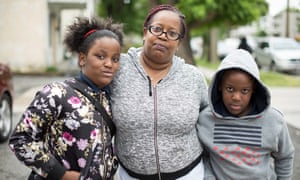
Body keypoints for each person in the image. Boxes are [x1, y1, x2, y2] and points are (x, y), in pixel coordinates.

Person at [8, 16, 123, 180]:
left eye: (115, 59)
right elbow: (20, 140)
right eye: (101, 56)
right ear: (82, 58)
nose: (109, 64)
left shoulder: (111, 97)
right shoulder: (57, 93)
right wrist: (60, 174)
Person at [109, 4, 209, 180]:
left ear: (179, 42)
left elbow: (211, 118)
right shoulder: (118, 69)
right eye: (157, 29)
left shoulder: (194, 78)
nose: (163, 36)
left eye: (172, 33)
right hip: (131, 175)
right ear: (145, 31)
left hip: (188, 174)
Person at [197, 49, 295, 179]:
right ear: (219, 86)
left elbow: (285, 156)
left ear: (254, 89)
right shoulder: (205, 119)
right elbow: (201, 156)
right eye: (230, 89)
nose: (236, 97)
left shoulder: (274, 121)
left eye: (244, 90)